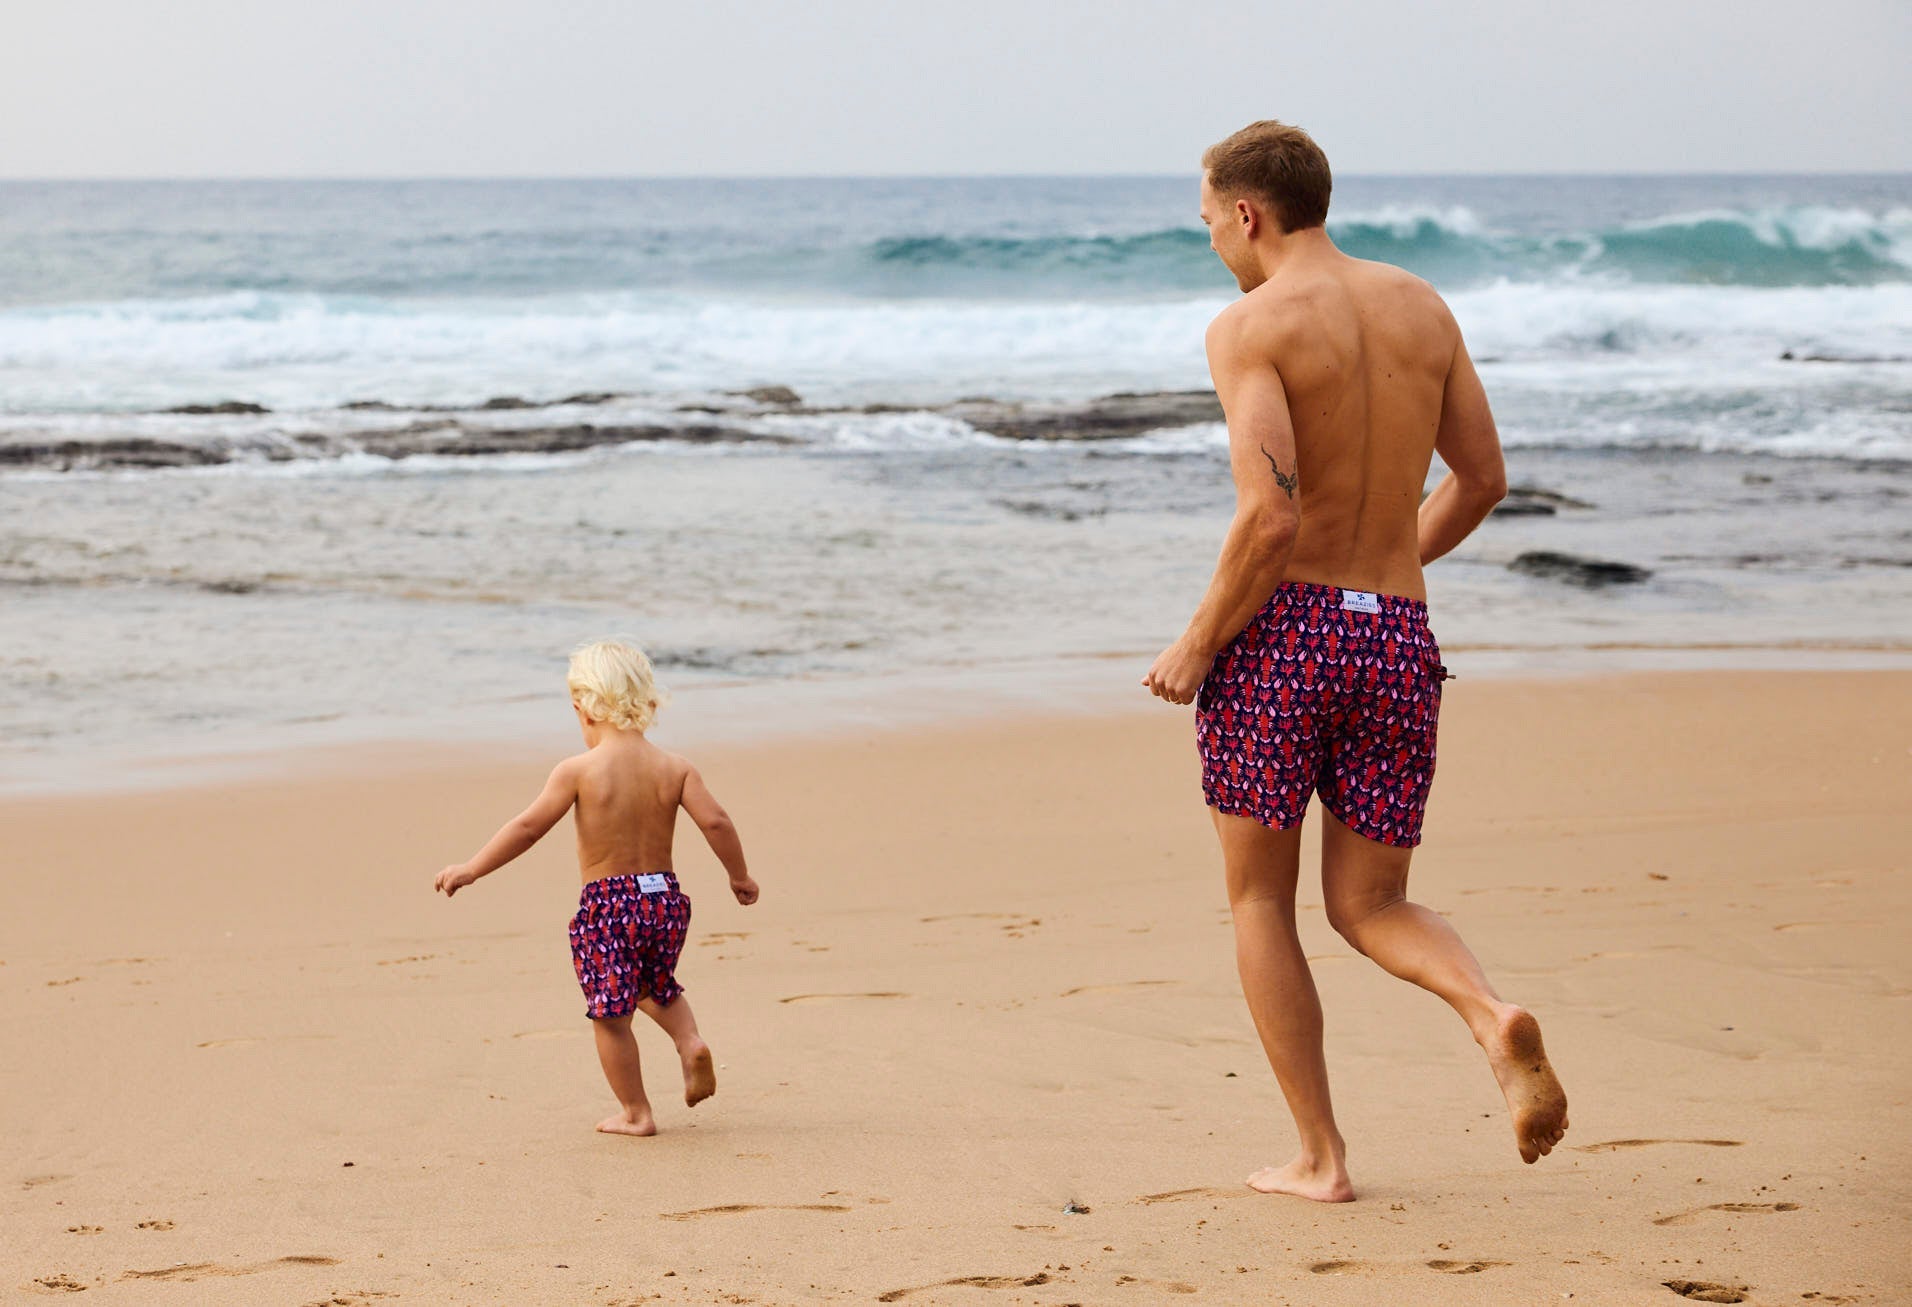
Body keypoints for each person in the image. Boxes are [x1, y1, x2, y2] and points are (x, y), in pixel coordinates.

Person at [1142, 120, 1568, 1202]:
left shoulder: (1250, 326)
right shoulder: (1421, 305)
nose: (1210, 245)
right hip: (1393, 633)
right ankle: (1488, 1012)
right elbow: (1480, 478)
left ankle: (1320, 1157)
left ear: (1246, 213)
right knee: (1375, 903)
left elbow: (1268, 517)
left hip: (1281, 638)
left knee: (1258, 904)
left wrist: (1196, 643)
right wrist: (1380, 578)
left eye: (1207, 222)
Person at [433, 639, 760, 1137]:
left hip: (608, 905)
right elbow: (716, 821)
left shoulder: (578, 771)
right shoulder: (675, 767)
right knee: (654, 985)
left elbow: (527, 828)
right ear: (647, 703)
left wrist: (473, 867)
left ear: (582, 708)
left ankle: (636, 1113)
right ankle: (689, 1039)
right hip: (665, 900)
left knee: (611, 1015)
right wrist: (738, 875)